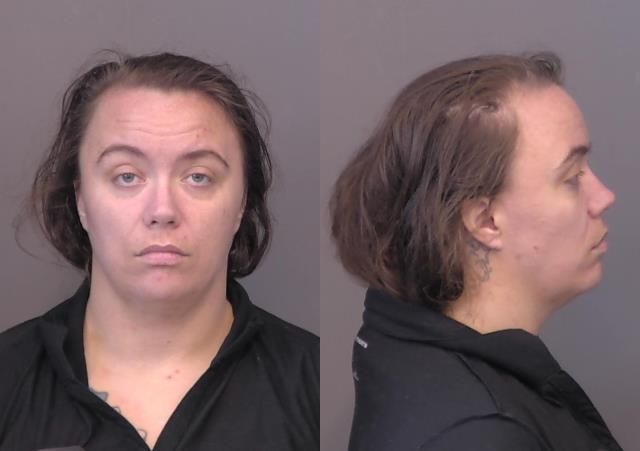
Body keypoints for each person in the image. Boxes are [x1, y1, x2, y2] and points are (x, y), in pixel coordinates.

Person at [0, 52, 319, 450]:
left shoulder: (312, 380)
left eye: (198, 177)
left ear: (242, 203)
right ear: (81, 199)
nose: (163, 210)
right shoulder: (8, 378)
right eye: (127, 176)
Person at [330, 52, 622, 450]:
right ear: (486, 221)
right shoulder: (477, 434)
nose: (604, 197)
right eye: (572, 177)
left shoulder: (403, 342)